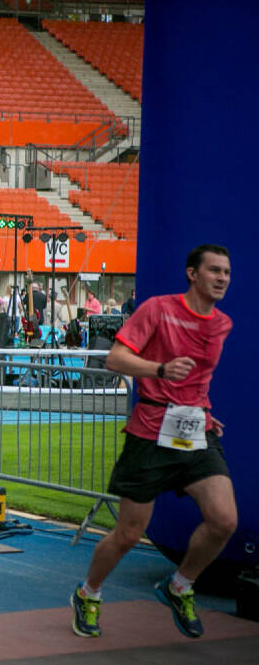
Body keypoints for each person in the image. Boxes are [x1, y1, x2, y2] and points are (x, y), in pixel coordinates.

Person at [70, 244, 235, 640]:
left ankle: (179, 586)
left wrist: (204, 410)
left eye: (227, 272)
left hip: (195, 430)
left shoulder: (222, 324)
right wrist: (159, 369)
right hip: (150, 430)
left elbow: (198, 380)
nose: (222, 278)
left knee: (224, 519)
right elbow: (115, 359)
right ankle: (88, 593)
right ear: (192, 273)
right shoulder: (159, 309)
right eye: (214, 270)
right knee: (128, 532)